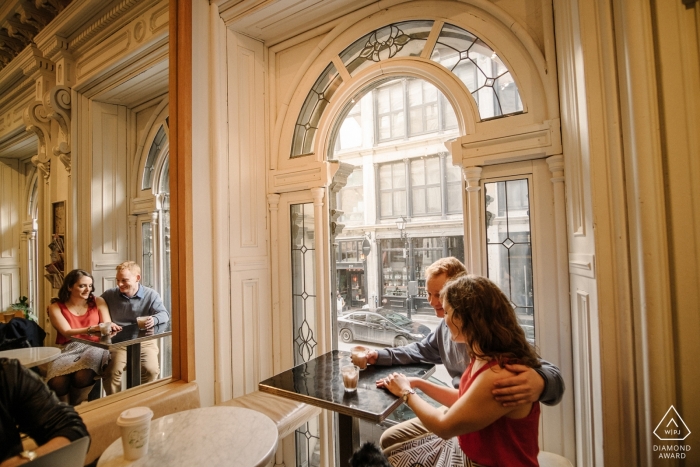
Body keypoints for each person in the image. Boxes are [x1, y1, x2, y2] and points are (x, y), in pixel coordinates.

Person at [354, 257, 563, 450]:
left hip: (475, 427)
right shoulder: (451, 333)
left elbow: (546, 372)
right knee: (391, 439)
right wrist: (378, 356)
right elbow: (418, 350)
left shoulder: (495, 355)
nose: (432, 301)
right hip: (458, 408)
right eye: (428, 293)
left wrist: (540, 382)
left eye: (440, 296)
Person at [379, 275, 542, 466]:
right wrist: (419, 383)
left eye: (447, 312)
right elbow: (467, 400)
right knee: (390, 449)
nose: (444, 320)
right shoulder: (483, 355)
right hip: (465, 453)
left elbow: (443, 427)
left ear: (465, 318)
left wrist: (406, 393)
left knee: (391, 457)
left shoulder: (499, 374)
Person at [45, 269, 121, 405]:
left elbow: (107, 323)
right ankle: (64, 411)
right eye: (82, 286)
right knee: (57, 382)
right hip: (68, 347)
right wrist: (92, 329)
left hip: (96, 346)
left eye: (90, 285)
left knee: (82, 376)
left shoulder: (98, 301)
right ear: (69, 287)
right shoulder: (55, 307)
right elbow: (66, 331)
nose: (88, 289)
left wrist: (111, 326)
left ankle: (76, 409)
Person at [0, 358, 89, 466]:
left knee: (82, 376)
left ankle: (76, 403)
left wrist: (23, 461)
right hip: (71, 350)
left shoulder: (7, 374)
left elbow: (71, 428)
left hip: (91, 351)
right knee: (58, 381)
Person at [101, 261, 170, 395]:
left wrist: (154, 319)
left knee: (151, 370)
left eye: (124, 280)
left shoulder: (151, 295)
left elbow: (164, 314)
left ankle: (140, 399)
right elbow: (91, 304)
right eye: (118, 280)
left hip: (144, 341)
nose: (119, 284)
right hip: (118, 343)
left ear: (137, 278)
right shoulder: (109, 295)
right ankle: (117, 404)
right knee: (111, 373)